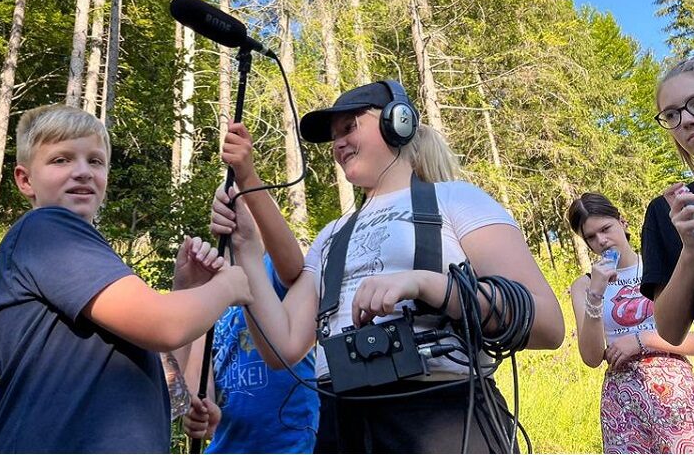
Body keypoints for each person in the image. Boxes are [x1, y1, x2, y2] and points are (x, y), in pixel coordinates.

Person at [211, 80, 564, 453]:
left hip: (443, 416)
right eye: (334, 137)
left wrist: (429, 285)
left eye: (349, 128)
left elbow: (547, 325)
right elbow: (281, 346)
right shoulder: (329, 237)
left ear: (398, 123)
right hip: (340, 425)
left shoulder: (458, 200)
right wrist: (248, 252)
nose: (338, 144)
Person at [0, 104, 252, 453]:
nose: (82, 172)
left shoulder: (94, 260)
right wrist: (228, 286)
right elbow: (164, 324)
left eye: (95, 161)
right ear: (25, 179)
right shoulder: (45, 231)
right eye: (61, 160)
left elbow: (164, 377)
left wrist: (187, 289)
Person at [179, 123, 319, 453]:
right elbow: (197, 366)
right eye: (227, 208)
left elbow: (293, 267)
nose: (233, 215)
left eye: (243, 209)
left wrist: (246, 178)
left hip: (291, 442)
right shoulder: (208, 285)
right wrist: (200, 407)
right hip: (228, 446)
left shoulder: (271, 270)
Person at [567, 192, 694, 453]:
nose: (601, 241)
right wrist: (596, 294)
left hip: (673, 391)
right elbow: (592, 357)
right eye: (590, 237)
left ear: (622, 222)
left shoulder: (659, 267)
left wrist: (641, 341)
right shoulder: (584, 285)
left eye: (605, 229)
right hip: (622, 397)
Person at [644, 56, 694, 346]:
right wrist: (690, 249)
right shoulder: (669, 211)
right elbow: (670, 331)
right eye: (672, 115)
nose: (686, 120)